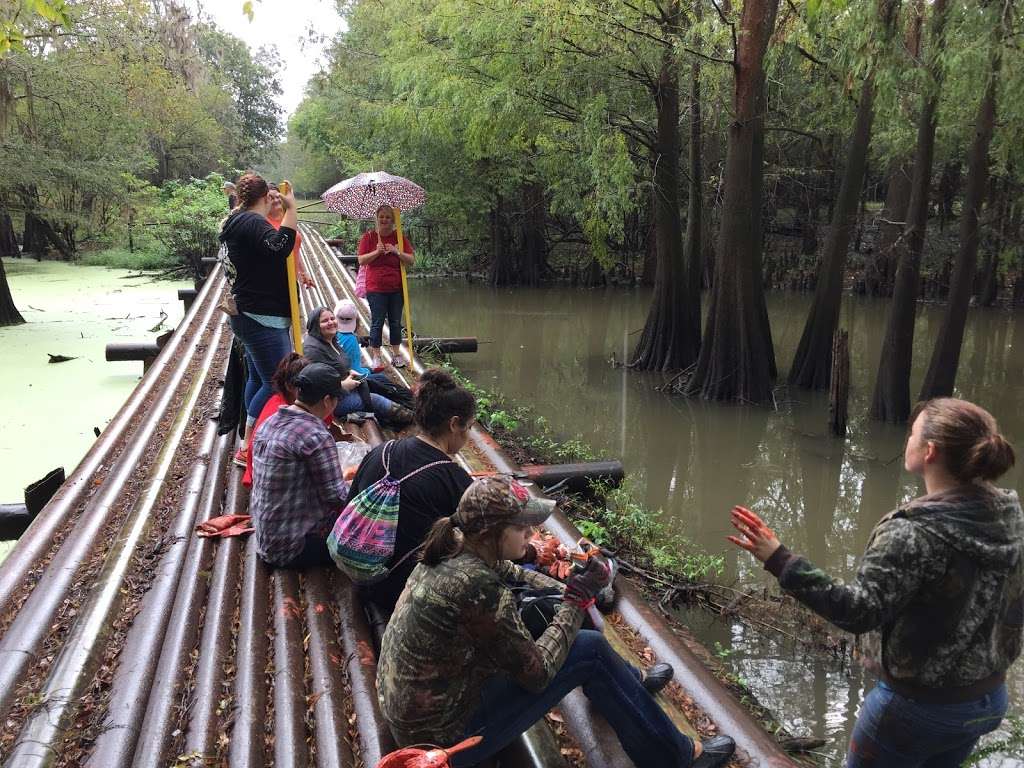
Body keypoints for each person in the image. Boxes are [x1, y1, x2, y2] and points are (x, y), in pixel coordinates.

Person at [728, 397, 1023, 768]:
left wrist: (779, 559)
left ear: (929, 451)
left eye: (912, 434)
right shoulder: (1011, 518)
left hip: (916, 710)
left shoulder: (912, 533)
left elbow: (859, 611)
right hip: (986, 699)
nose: (907, 440)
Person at [377, 475, 736, 768]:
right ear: (494, 533)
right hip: (448, 738)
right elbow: (538, 676)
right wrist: (576, 599)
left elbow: (511, 570)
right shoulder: (475, 586)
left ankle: (629, 680)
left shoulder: (455, 545)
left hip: (426, 708)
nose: (532, 535)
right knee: (590, 650)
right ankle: (676, 757)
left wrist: (564, 584)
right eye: (523, 529)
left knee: (554, 613)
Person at [346, 368, 475, 612]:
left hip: (362, 574)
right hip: (401, 591)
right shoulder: (454, 478)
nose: (468, 435)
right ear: (454, 424)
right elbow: (485, 542)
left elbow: (350, 504)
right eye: (469, 427)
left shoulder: (381, 451)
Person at [219, 172, 298, 467]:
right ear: (265, 198)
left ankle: (248, 437)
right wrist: (292, 210)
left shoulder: (235, 222)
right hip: (261, 318)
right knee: (277, 382)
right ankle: (249, 445)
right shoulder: (251, 222)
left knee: (257, 377)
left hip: (249, 314)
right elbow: (279, 247)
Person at [250, 363, 350, 569]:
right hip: (294, 548)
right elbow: (338, 498)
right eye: (337, 399)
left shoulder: (269, 423)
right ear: (327, 400)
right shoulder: (316, 435)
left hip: (267, 538)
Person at [301, 305, 412, 426]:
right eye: (324, 321)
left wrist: (349, 372)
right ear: (315, 325)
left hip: (344, 385)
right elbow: (318, 385)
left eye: (332, 318)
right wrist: (343, 385)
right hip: (332, 401)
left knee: (380, 379)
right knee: (376, 400)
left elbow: (338, 366)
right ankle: (412, 418)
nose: (331, 323)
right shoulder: (313, 350)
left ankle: (410, 402)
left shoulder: (331, 339)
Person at [243, 353, 337, 488]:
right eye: (304, 386)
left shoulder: (288, 405)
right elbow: (334, 493)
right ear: (289, 386)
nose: (312, 391)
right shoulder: (280, 413)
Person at [357, 204, 414, 370]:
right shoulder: (369, 237)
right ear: (377, 218)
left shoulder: (399, 237)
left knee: (396, 322)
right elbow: (361, 260)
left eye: (388, 217)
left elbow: (411, 260)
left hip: (396, 288)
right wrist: (376, 252)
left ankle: (396, 355)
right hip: (376, 288)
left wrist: (397, 252)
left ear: (393, 220)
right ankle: (376, 356)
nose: (384, 220)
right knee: (377, 322)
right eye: (381, 216)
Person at [334, 298, 414, 409]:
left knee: (375, 374)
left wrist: (358, 339)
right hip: (350, 380)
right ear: (356, 320)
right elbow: (356, 371)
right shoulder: (350, 340)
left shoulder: (333, 335)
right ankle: (407, 404)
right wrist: (367, 371)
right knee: (382, 380)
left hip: (344, 377)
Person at [266, 183, 313, 289]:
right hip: (274, 283)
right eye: (271, 198)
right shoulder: (263, 223)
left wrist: (304, 271)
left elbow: (293, 247)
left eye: (278, 196)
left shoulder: (287, 218)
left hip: (292, 280)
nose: (276, 200)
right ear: (265, 201)